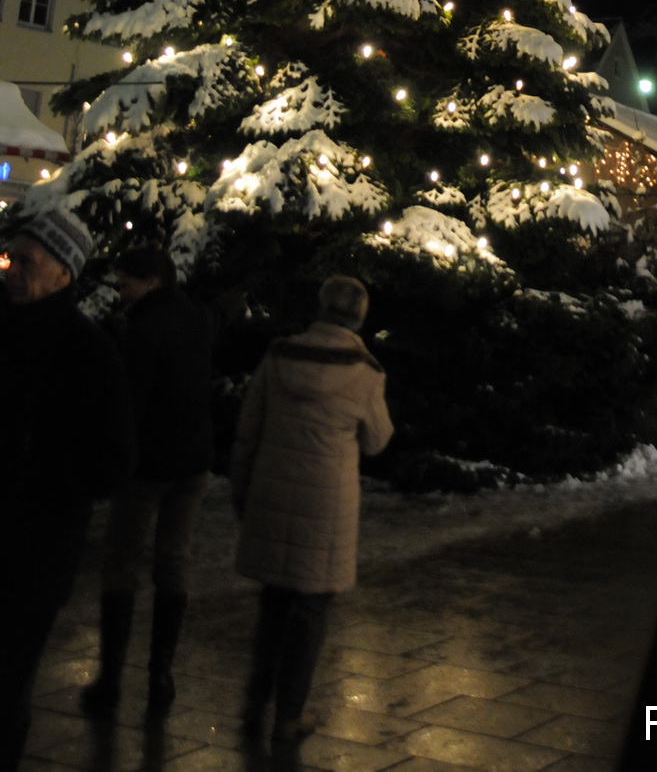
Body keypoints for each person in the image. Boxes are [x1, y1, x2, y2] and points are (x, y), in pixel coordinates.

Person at [0, 207, 135, 772]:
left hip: (30, 552)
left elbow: (108, 463)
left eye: (27, 262)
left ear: (63, 274)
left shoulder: (89, 352)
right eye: (9, 257)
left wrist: (32, 466)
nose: (11, 270)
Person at [232, 276, 393, 742]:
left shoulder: (279, 356)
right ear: (359, 317)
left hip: (272, 493)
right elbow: (378, 440)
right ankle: (288, 716)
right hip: (325, 508)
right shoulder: (365, 371)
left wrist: (242, 490)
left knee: (272, 606)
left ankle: (253, 704)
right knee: (309, 615)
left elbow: (248, 428)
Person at [82, 245, 214, 716]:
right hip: (192, 461)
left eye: (126, 284)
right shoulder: (195, 319)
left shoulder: (140, 331)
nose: (121, 294)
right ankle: (160, 675)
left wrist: (114, 458)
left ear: (151, 281)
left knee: (122, 560)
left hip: (148, 466)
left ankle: (112, 678)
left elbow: (127, 404)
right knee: (174, 561)